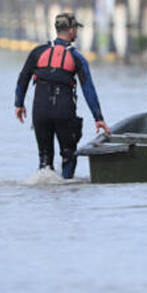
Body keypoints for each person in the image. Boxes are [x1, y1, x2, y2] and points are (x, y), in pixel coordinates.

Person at [14, 13, 108, 179]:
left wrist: (19, 104)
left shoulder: (37, 52)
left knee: (44, 159)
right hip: (64, 110)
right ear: (71, 31)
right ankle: (66, 191)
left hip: (40, 111)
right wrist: (98, 117)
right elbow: (89, 90)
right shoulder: (77, 58)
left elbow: (23, 80)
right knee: (68, 155)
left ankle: (45, 197)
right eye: (76, 29)